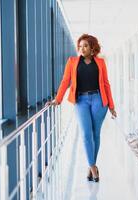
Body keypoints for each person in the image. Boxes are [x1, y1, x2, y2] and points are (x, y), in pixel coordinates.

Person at [47, 34, 117, 182]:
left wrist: (111, 105)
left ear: (92, 48)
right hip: (81, 101)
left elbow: (106, 84)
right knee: (86, 134)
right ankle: (93, 167)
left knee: (95, 133)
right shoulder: (72, 62)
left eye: (85, 45)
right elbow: (65, 81)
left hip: (99, 99)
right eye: (80, 46)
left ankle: (91, 165)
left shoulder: (100, 62)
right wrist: (57, 99)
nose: (82, 48)